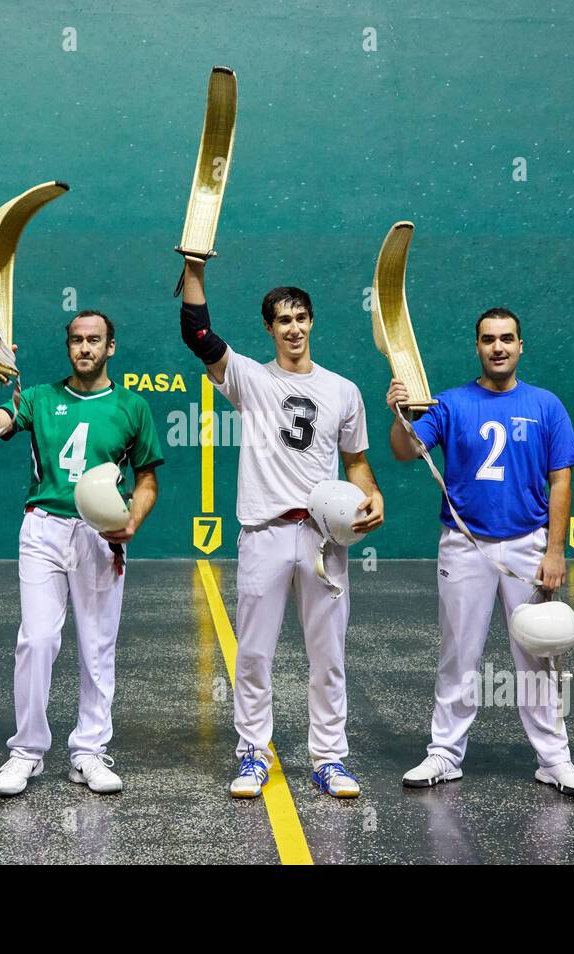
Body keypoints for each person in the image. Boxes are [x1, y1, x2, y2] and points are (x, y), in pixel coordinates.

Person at [177, 255, 384, 799]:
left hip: (324, 538)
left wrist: (373, 493)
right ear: (269, 328)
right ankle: (251, 754)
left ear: (311, 323)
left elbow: (357, 463)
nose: (293, 328)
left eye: (301, 318)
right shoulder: (248, 378)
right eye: (282, 320)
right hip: (264, 533)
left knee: (328, 655)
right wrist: (194, 271)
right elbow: (198, 334)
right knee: (253, 654)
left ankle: (330, 758)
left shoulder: (343, 390)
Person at [389, 307, 574, 797]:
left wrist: (556, 550)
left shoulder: (546, 405)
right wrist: (397, 413)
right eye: (488, 339)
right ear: (476, 347)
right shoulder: (449, 403)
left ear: (521, 346)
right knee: (459, 652)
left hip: (528, 545)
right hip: (464, 544)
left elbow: (560, 479)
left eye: (507, 339)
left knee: (538, 655)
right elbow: (404, 450)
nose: (497, 347)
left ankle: (554, 760)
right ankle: (444, 754)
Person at [0, 310, 164, 796]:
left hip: (100, 534)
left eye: (94, 340)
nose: (84, 348)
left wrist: (132, 521)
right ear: (68, 346)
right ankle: (27, 752)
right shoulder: (37, 398)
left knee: (98, 646)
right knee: (36, 640)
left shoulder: (131, 406)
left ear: (110, 347)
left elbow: (146, 479)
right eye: (76, 340)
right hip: (43, 530)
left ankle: (89, 752)